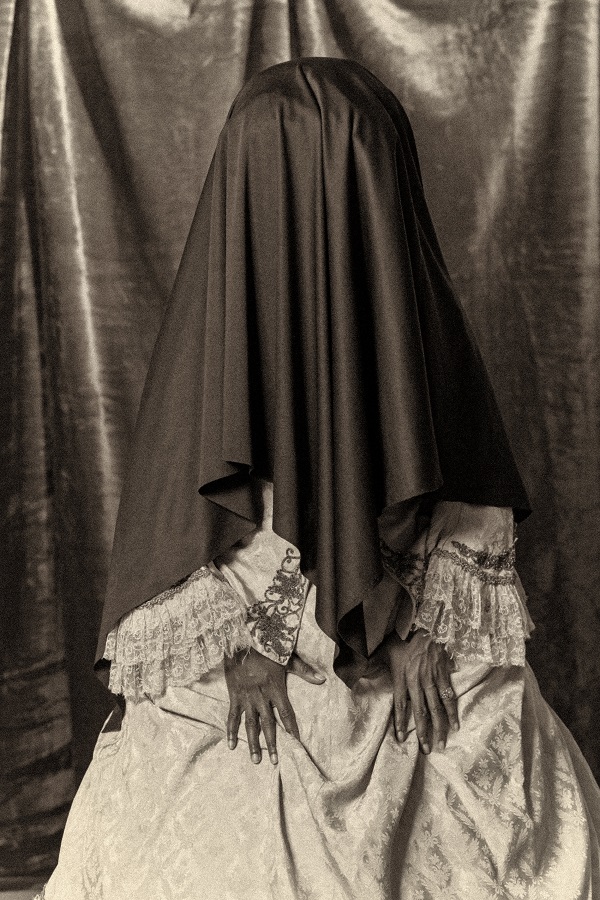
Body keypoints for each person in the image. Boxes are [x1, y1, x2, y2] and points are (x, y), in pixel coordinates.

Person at [37, 58, 600, 900]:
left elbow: (464, 505)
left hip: (401, 613)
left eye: (350, 183)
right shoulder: (210, 341)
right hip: (251, 637)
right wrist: (252, 646)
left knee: (469, 723)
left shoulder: (422, 325)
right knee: (209, 767)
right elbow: (182, 541)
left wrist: (421, 629)